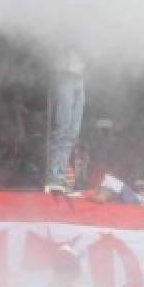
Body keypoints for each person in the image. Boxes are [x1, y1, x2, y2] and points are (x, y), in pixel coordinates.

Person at [45, 45, 86, 193]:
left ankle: (61, 174)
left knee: (73, 132)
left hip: (79, 76)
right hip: (63, 74)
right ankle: (54, 174)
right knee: (62, 127)